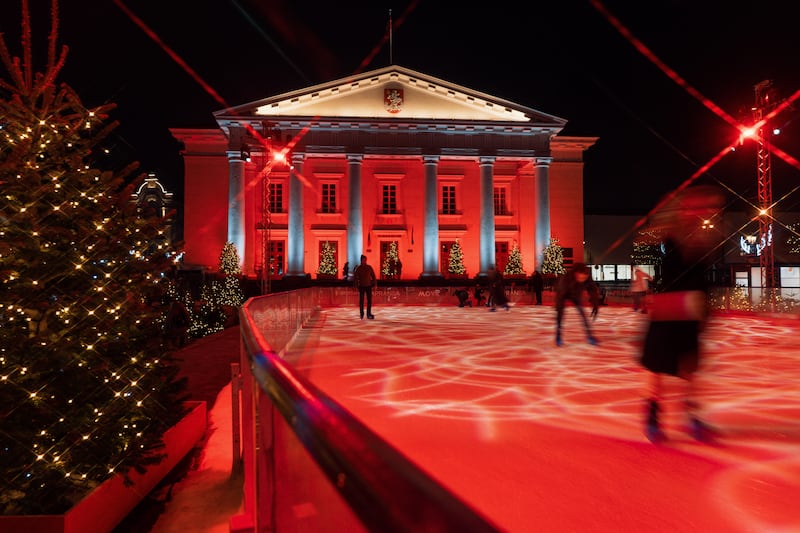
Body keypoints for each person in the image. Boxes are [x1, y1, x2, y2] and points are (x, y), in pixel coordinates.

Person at [640, 185, 724, 444]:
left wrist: (705, 312)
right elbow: (651, 238)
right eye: (702, 206)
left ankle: (690, 416)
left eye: (709, 208)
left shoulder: (703, 237)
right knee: (657, 367)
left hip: (690, 310)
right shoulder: (672, 235)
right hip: (668, 309)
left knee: (689, 367)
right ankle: (653, 416)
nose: (707, 212)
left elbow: (701, 277)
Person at [555, 262, 600, 346]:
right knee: (560, 316)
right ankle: (558, 336)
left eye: (585, 278)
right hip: (563, 293)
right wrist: (559, 308)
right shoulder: (565, 279)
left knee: (583, 314)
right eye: (581, 277)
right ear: (576, 274)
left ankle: (589, 336)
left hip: (575, 295)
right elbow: (560, 296)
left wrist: (595, 304)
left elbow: (592, 290)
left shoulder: (587, 277)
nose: (583, 279)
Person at [353, 254, 377, 319]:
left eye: (365, 260)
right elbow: (355, 278)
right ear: (361, 260)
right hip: (361, 286)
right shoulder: (359, 268)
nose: (364, 261)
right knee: (361, 301)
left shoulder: (369, 267)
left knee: (369, 300)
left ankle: (368, 314)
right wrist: (356, 286)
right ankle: (362, 314)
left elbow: (373, 276)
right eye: (363, 260)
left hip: (368, 286)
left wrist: (374, 284)